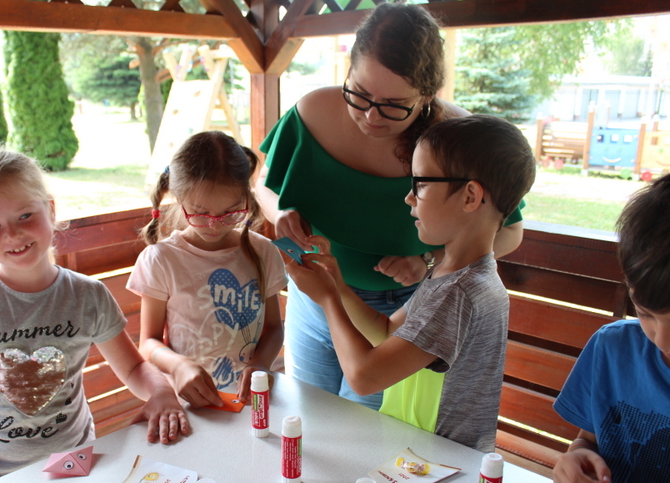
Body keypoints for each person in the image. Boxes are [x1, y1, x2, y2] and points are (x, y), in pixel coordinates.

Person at [255, 2, 525, 410]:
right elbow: (264, 183)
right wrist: (279, 213)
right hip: (315, 293)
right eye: (359, 94)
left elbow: (509, 231)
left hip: (399, 308)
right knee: (307, 413)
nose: (370, 116)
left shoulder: (454, 141)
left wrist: (427, 261)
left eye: (394, 104)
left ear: (427, 96)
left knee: (363, 431)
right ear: (348, 71)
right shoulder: (311, 112)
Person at [0, 147, 189, 483]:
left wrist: (160, 391)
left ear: (50, 209)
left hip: (72, 463)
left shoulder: (87, 296)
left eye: (25, 215)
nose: (12, 234)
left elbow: (134, 368)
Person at [286, 115, 535, 451]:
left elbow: (364, 377)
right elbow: (387, 332)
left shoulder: (458, 293)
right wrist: (337, 284)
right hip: (418, 455)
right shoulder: (454, 273)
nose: (409, 198)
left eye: (421, 184)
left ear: (470, 196)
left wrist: (328, 299)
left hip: (439, 464)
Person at [128, 131, 287, 408]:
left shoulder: (263, 252)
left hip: (250, 399)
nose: (215, 225)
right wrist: (178, 366)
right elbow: (148, 343)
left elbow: (274, 328)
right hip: (189, 402)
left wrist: (261, 363)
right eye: (201, 213)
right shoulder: (161, 259)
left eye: (230, 212)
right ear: (179, 198)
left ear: (246, 198)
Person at [552, 173, 670, 483]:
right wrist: (576, 461)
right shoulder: (613, 347)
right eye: (646, 314)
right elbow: (588, 439)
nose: (662, 340)